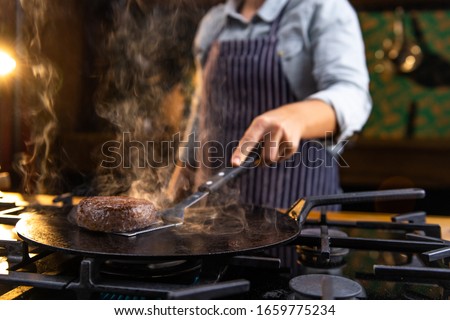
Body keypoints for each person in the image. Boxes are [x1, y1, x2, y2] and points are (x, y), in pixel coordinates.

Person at [169, 0, 371, 211]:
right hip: (211, 218)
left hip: (296, 210)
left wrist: (297, 117)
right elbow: (202, 109)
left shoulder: (323, 8)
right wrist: (177, 189)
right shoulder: (214, 22)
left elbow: (352, 94)